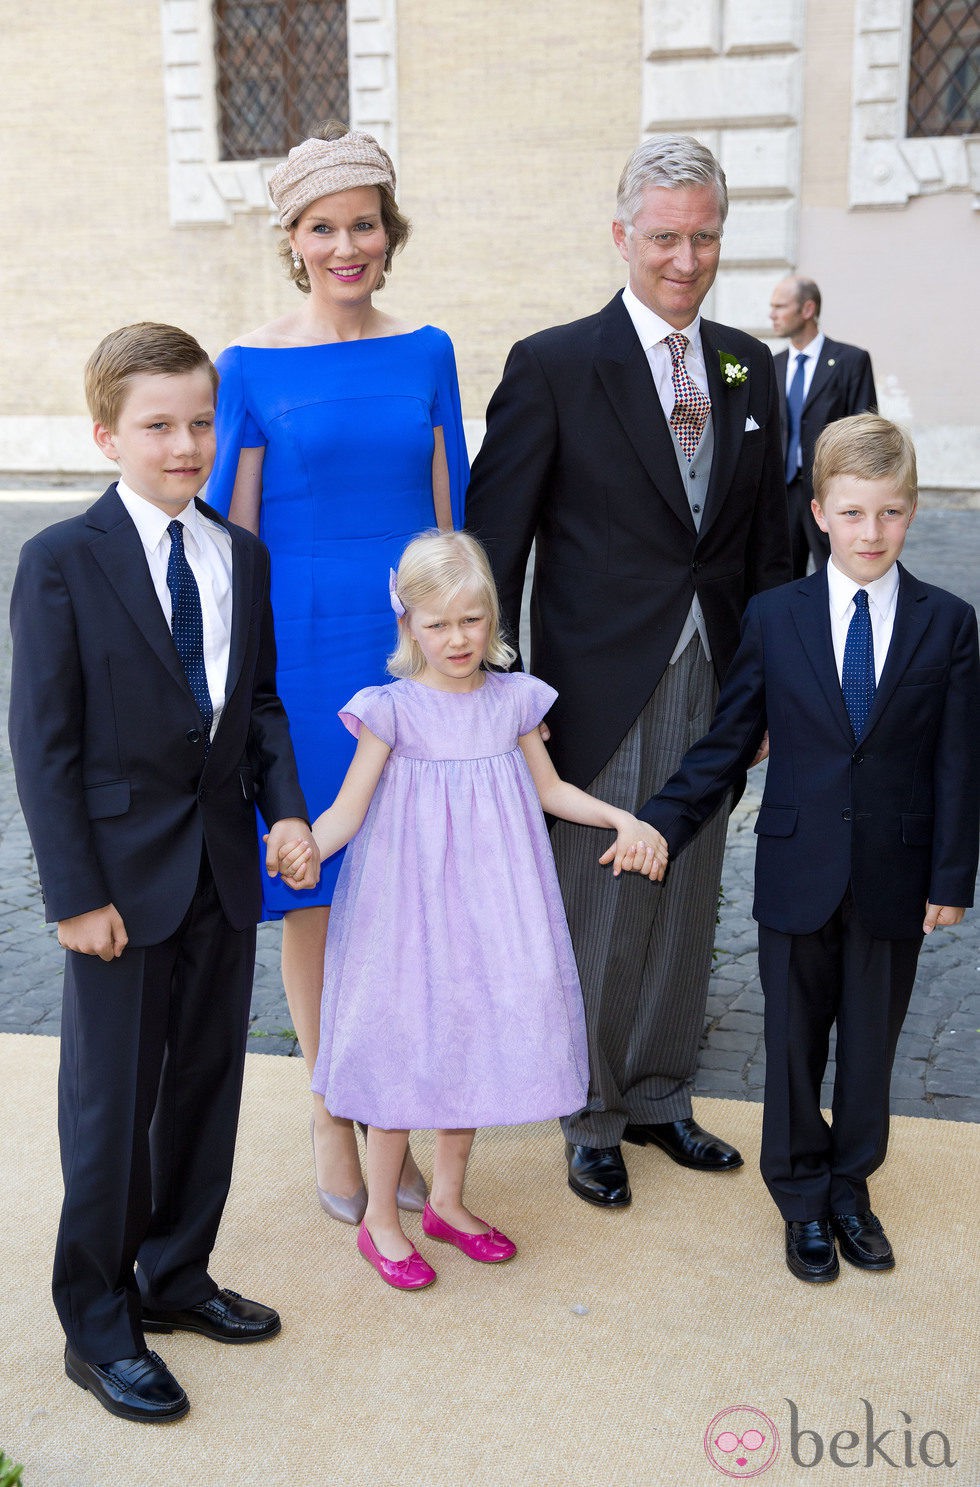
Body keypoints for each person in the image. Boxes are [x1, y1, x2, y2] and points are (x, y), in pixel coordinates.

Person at [465, 135, 791, 1210]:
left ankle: (657, 1092)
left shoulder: (750, 363)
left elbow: (766, 543)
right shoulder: (553, 363)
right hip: (594, 683)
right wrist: (500, 692)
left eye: (703, 236)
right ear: (621, 236)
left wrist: (768, 684)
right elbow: (493, 542)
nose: (684, 259)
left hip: (717, 669)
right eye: (663, 237)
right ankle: (590, 1108)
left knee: (688, 885)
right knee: (600, 890)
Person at [7, 323, 319, 1421]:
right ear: (107, 433)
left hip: (222, 872)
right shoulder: (60, 561)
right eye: (157, 425)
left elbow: (262, 705)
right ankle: (96, 1323)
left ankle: (175, 1275)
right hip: (117, 891)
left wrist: (286, 811)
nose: (183, 444)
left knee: (202, 1088)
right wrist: (74, 894)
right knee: (111, 1103)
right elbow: (42, 744)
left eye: (198, 422)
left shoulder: (241, 553)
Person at [276, 531, 668, 1289]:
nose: (457, 639)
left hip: (495, 902)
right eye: (438, 623)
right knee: (403, 1050)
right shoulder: (391, 711)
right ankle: (381, 1219)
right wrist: (304, 847)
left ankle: (448, 1203)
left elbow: (550, 791)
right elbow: (347, 811)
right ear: (408, 625)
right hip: (407, 909)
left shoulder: (514, 702)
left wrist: (621, 819)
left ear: (493, 618)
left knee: (474, 1039)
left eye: (472, 620)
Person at [639, 414, 980, 1281]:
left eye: (891, 513)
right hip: (796, 869)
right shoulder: (776, 615)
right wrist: (663, 821)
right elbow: (728, 739)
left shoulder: (948, 624)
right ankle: (799, 1196)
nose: (873, 533)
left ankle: (850, 1188)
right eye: (855, 512)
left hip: (896, 873)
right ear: (820, 512)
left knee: (871, 1045)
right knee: (792, 1043)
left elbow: (957, 761)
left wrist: (951, 876)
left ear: (912, 512)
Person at [206, 122, 469, 1223]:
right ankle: (329, 1104)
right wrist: (235, 680)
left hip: (408, 648)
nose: (346, 243)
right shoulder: (251, 364)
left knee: (407, 883)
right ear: (294, 239)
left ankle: (393, 1101)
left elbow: (454, 507)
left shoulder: (428, 352)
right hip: (303, 653)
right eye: (324, 226)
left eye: (363, 222)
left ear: (387, 232)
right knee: (311, 882)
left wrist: (472, 658)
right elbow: (234, 530)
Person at [770, 274, 877, 578]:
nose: (772, 314)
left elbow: (864, 432)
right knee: (781, 578)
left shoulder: (850, 360)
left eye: (780, 306)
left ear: (807, 309)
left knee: (842, 574)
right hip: (784, 493)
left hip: (833, 492)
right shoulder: (771, 364)